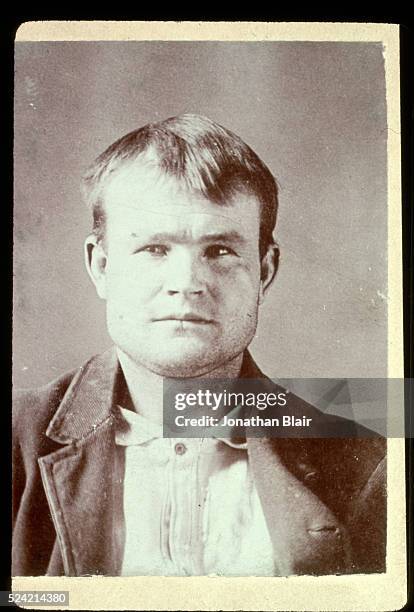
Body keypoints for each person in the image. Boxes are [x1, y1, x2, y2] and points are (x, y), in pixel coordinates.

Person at [12, 114, 386, 577]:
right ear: (101, 266)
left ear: (265, 272)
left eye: (220, 251)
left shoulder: (366, 462)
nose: (187, 283)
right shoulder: (15, 443)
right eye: (154, 249)